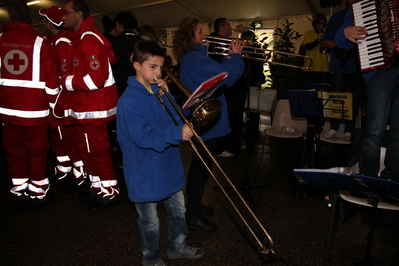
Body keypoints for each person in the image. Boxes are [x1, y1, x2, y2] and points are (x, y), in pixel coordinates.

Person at [117, 40, 203, 266]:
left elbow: (175, 120)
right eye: (152, 67)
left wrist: (167, 97)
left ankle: (178, 247)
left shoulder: (157, 91)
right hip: (144, 170)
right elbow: (144, 137)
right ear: (136, 65)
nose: (157, 73)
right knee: (150, 221)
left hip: (168, 163)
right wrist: (177, 134)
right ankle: (151, 259)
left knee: (178, 210)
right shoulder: (129, 100)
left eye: (160, 68)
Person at [172, 17, 245, 231]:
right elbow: (229, 76)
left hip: (207, 120)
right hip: (208, 121)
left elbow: (217, 74)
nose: (204, 35)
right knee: (201, 168)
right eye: (200, 31)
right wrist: (237, 57)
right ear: (190, 35)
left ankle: (194, 204)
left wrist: (229, 58)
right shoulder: (196, 59)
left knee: (201, 166)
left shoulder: (194, 58)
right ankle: (192, 214)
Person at [61, 0, 120, 210]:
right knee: (86, 150)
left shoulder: (89, 39)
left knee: (97, 150)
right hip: (85, 107)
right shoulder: (79, 39)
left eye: (66, 13)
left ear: (78, 14)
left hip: (94, 107)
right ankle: (97, 186)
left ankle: (110, 190)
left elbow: (95, 79)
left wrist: (67, 82)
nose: (62, 17)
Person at [0, 3, 59, 209]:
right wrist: (53, 105)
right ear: (29, 18)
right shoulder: (40, 42)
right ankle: (38, 190)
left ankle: (19, 188)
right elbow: (52, 80)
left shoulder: (0, 40)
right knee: (36, 151)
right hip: (34, 110)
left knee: (14, 150)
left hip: (7, 111)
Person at [335, 8, 399, 181]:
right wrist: (345, 32)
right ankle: (368, 179)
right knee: (374, 130)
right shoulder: (364, 6)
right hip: (381, 69)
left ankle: (392, 180)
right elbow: (341, 41)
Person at [39, 5, 87, 193]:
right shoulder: (54, 42)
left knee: (67, 138)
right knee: (60, 138)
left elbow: (64, 76)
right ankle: (66, 169)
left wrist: (57, 104)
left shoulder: (62, 44)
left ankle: (78, 172)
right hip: (57, 101)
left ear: (49, 23)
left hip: (62, 101)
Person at [323, 0, 364, 140]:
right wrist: (339, 45)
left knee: (355, 98)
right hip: (338, 64)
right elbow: (326, 40)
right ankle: (334, 127)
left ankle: (349, 129)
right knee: (336, 96)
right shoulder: (337, 17)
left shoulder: (366, 16)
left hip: (357, 65)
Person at [303, 13, 330, 84]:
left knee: (322, 89)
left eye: (322, 23)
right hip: (310, 66)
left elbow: (330, 49)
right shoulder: (308, 33)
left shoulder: (327, 34)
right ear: (314, 24)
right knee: (309, 89)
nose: (321, 25)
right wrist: (317, 40)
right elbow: (308, 47)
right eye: (319, 23)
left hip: (323, 66)